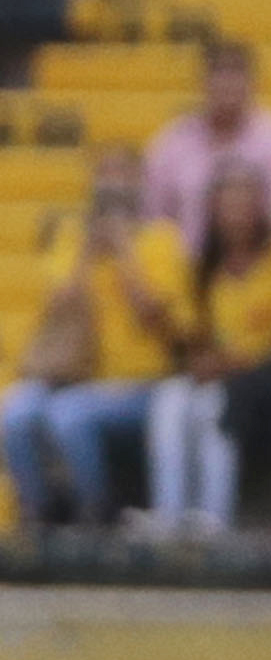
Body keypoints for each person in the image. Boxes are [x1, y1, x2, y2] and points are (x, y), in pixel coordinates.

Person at [1, 154, 189, 529]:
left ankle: (97, 512)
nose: (113, 195)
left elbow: (161, 322)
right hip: (78, 377)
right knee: (15, 413)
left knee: (69, 416)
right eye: (106, 185)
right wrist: (88, 254)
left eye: (123, 184)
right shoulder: (73, 240)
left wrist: (124, 254)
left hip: (142, 383)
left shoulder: (162, 241)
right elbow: (60, 307)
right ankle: (39, 512)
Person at [145, 163, 271, 539]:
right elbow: (193, 330)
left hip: (269, 379)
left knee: (214, 407)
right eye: (226, 203)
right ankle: (168, 515)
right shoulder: (204, 269)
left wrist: (236, 362)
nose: (234, 212)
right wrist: (203, 359)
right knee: (170, 400)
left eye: (243, 202)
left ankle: (212, 517)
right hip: (215, 371)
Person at [143, 39, 271, 249]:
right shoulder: (170, 145)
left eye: (236, 73)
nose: (227, 82)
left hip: (265, 272)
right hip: (188, 271)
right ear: (201, 81)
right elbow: (154, 223)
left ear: (254, 81)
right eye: (218, 72)